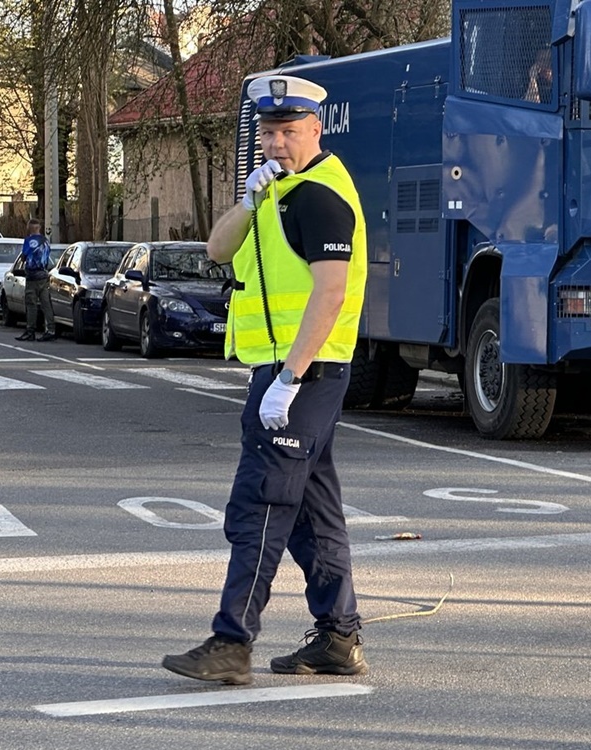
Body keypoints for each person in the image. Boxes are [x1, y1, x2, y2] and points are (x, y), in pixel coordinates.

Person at [162, 74, 369, 685]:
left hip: (301, 371)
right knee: (311, 509)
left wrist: (290, 379)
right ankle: (338, 637)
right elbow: (217, 249)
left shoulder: (319, 196)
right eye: (268, 131)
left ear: (316, 128)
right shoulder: (281, 190)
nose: (277, 142)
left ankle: (231, 642)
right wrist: (251, 201)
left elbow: (331, 291)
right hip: (289, 369)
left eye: (289, 131)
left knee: (262, 505)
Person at [14, 218, 55, 342]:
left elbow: (24, 257)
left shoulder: (28, 241)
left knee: (31, 304)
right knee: (46, 304)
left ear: (29, 228)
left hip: (32, 277)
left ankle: (30, 330)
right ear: (39, 228)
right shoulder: (46, 241)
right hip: (43, 276)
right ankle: (50, 330)